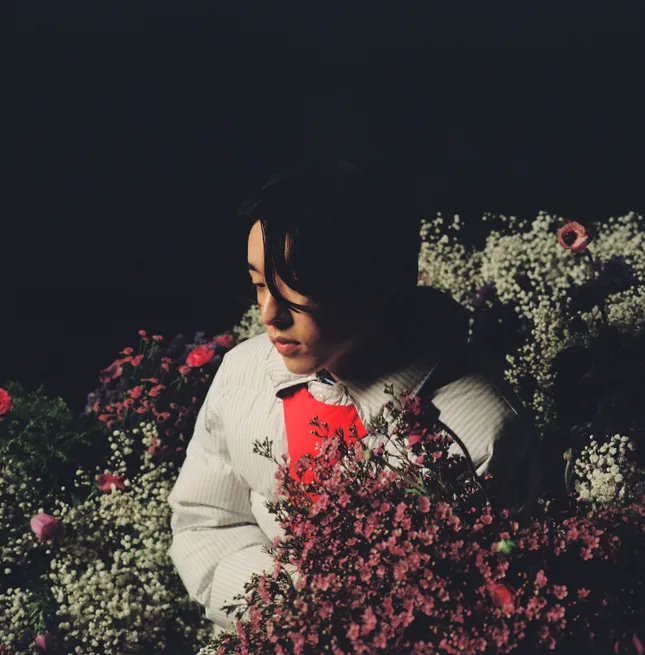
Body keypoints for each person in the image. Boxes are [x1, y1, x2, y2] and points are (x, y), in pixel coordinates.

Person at [167, 159, 542, 636]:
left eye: (294, 288)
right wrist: (292, 608)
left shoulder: (480, 430)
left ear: (379, 284)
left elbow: (486, 601)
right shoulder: (242, 374)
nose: (268, 314)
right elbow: (206, 524)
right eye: (259, 284)